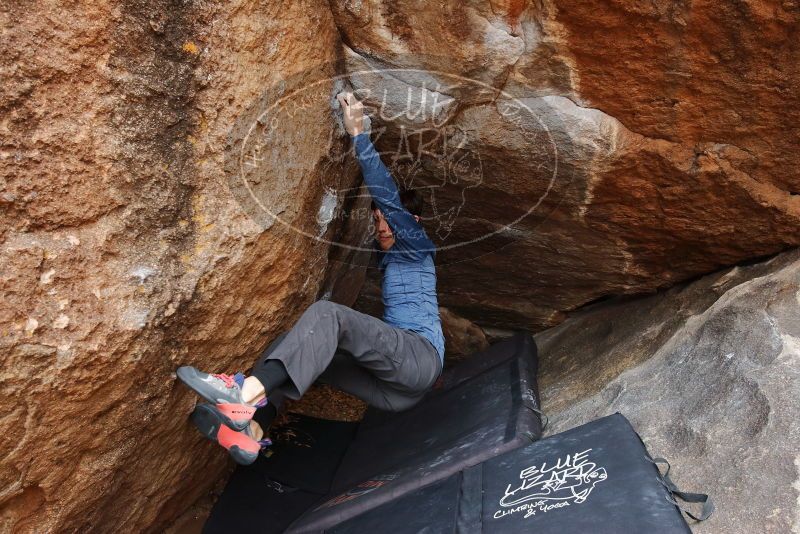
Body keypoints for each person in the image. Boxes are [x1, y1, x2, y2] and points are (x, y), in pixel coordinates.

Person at [177, 92, 445, 465]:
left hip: (419, 359)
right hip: (396, 392)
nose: (382, 226)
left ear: (413, 223)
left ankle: (243, 393)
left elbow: (387, 198)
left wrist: (358, 133)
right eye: (378, 221)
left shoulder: (417, 244)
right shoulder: (391, 257)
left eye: (388, 220)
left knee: (327, 315)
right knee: (299, 348)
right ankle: (253, 432)